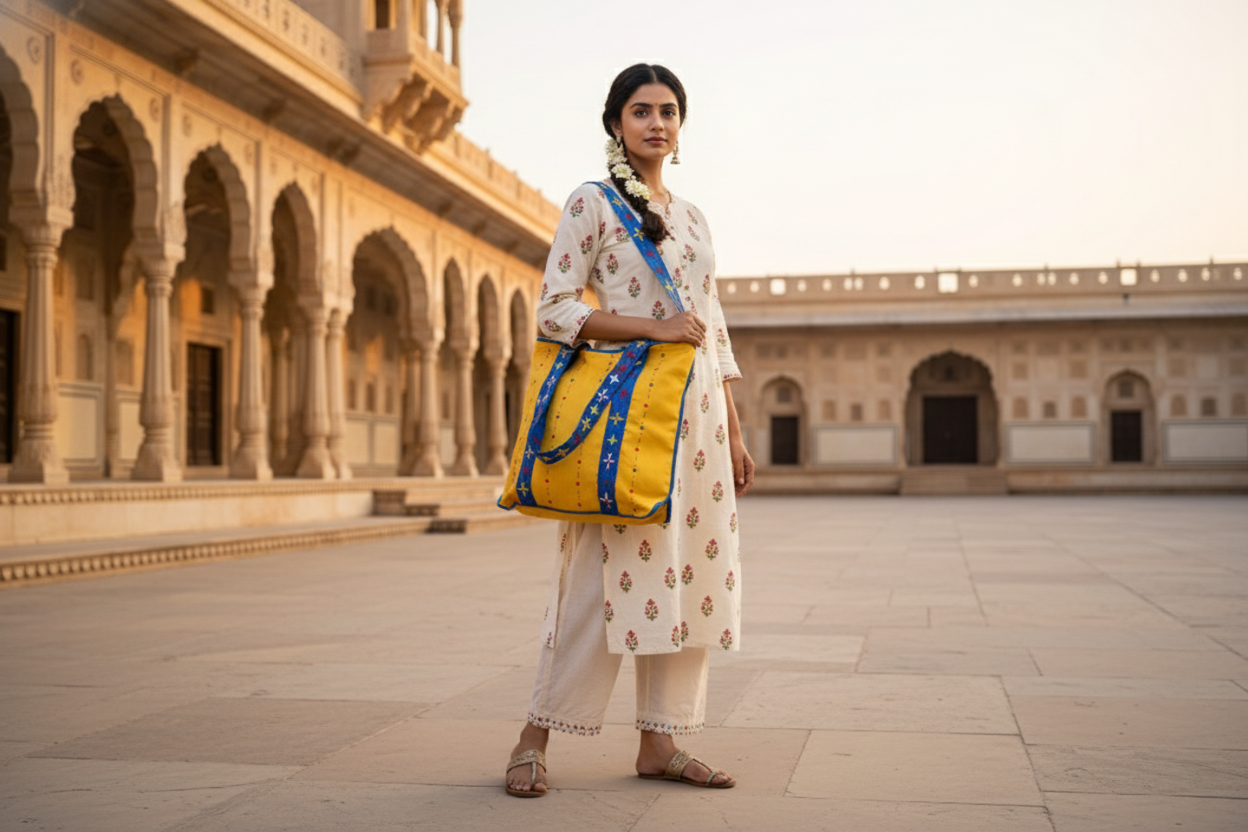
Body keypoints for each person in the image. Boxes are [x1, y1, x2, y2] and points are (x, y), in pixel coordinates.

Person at [505, 63, 754, 797]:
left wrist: (734, 432)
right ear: (617, 122)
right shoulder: (593, 203)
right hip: (630, 417)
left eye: (668, 111)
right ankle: (533, 735)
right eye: (641, 110)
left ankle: (661, 741)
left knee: (687, 578)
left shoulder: (695, 217)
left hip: (700, 421)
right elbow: (555, 309)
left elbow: (714, 331)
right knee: (597, 580)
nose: (656, 122)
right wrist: (654, 327)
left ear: (682, 126)